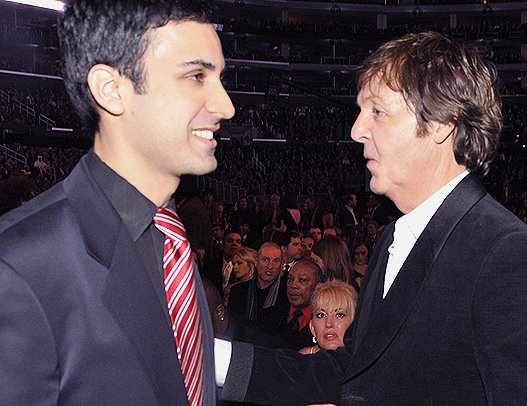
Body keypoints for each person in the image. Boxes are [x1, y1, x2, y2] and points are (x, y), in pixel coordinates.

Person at [218, 32, 527, 405]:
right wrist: (211, 359)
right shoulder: (392, 237)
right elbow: (354, 372)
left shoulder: (505, 252)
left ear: (443, 123)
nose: (356, 129)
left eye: (377, 111)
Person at [0, 1, 235, 404]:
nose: (226, 106)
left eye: (219, 78)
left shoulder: (171, 240)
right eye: (196, 76)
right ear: (111, 89)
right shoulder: (19, 268)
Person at [299, 279, 358, 355]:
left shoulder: (366, 361)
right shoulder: (300, 361)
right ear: (312, 327)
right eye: (321, 315)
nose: (328, 324)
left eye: (339, 315)